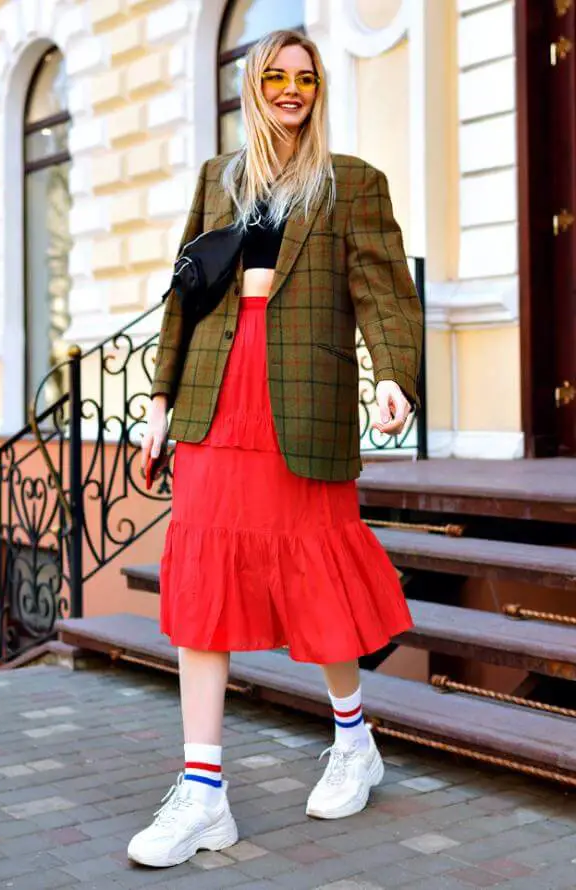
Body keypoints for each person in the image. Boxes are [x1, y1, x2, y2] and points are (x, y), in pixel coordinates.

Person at [129, 28, 423, 869]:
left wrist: (394, 374)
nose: (291, 90)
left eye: (305, 78)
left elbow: (385, 294)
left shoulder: (352, 185)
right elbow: (184, 297)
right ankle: (203, 793)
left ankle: (353, 737)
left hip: (302, 399)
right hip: (214, 400)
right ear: (252, 85)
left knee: (316, 567)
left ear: (317, 89)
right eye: (276, 77)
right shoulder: (217, 180)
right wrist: (157, 399)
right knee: (204, 580)